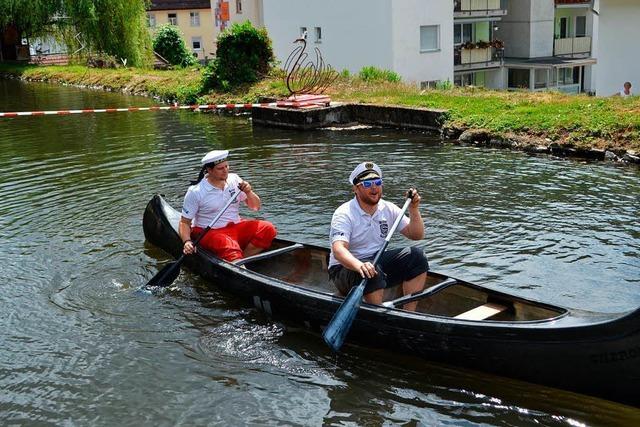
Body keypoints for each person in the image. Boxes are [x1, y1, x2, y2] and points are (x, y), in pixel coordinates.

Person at [328, 161, 429, 310]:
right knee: (372, 272)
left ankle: (409, 314)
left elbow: (416, 235)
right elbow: (338, 250)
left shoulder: (388, 208)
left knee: (417, 257)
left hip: (376, 260)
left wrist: (414, 209)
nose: (374, 187)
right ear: (356, 189)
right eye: (367, 184)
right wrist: (359, 265)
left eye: (377, 182)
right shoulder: (344, 213)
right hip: (344, 269)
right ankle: (378, 312)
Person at [179, 150, 277, 262]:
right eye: (220, 168)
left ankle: (241, 261)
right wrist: (187, 241)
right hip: (209, 232)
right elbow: (184, 222)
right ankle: (237, 263)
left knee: (268, 228)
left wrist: (249, 192)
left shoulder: (235, 180)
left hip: (235, 226)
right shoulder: (195, 191)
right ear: (209, 170)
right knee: (227, 244)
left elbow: (256, 207)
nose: (225, 171)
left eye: (227, 166)